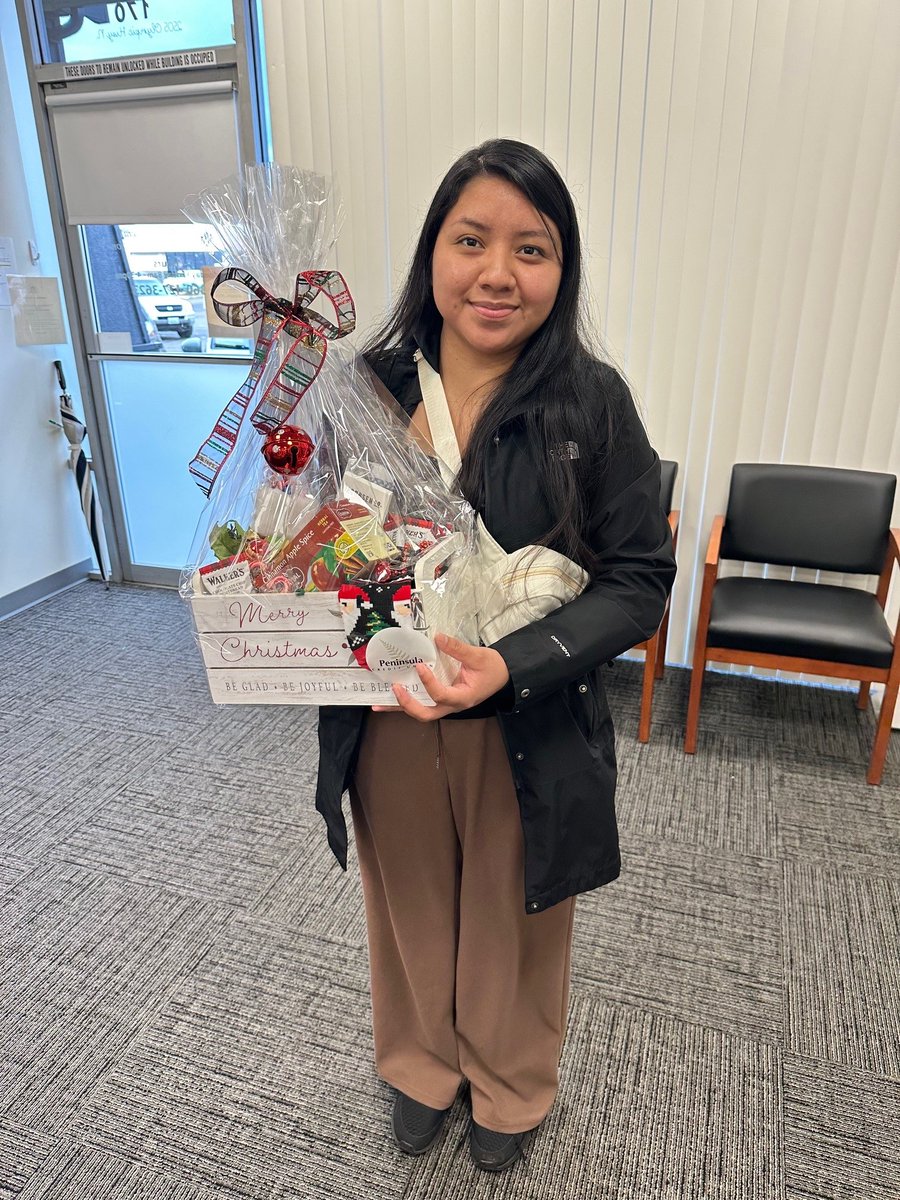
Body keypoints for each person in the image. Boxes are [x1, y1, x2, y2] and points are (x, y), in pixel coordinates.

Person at [315, 139, 676, 1172]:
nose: (497, 272)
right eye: (471, 240)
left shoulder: (589, 402)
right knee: (411, 900)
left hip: (527, 715)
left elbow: (640, 578)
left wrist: (519, 663)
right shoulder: (362, 389)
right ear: (434, 250)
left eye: (533, 248)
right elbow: (312, 540)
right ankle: (423, 1065)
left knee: (517, 913)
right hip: (387, 714)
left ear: (562, 272)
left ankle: (511, 1084)